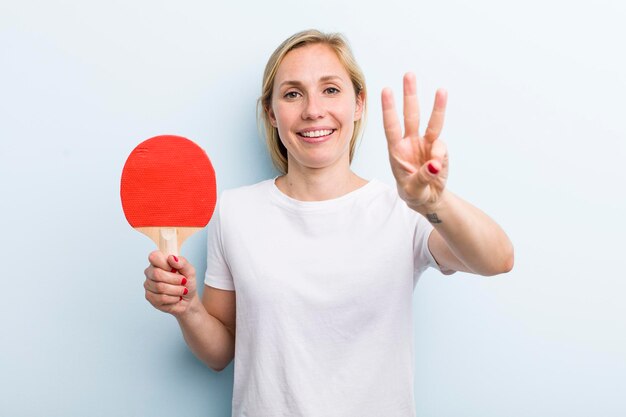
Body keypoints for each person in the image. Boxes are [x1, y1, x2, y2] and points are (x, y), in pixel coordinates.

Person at [143, 29, 513, 417]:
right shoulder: (235, 211)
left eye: (331, 90)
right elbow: (221, 353)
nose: (313, 110)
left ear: (358, 103)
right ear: (271, 113)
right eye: (292, 93)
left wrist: (434, 201)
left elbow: (498, 259)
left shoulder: (402, 210)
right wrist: (189, 310)